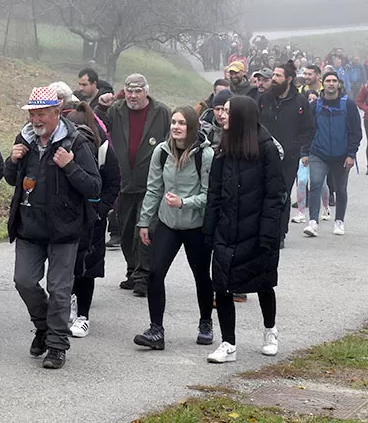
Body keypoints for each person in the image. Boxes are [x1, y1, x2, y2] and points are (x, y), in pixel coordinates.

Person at [4, 86, 102, 369]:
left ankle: (57, 345)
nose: (36, 120)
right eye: (33, 114)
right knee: (23, 281)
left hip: (64, 229)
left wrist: (70, 166)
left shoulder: (76, 142)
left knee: (59, 290)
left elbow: (94, 187)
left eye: (42, 114)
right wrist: (12, 161)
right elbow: (12, 180)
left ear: (57, 113)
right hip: (29, 226)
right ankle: (44, 327)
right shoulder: (24, 139)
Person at [202, 96, 284, 363]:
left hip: (259, 231)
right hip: (227, 231)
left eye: (228, 111)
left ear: (242, 117)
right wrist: (209, 231)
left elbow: (275, 194)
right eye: (222, 111)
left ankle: (270, 330)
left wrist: (268, 233)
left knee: (263, 283)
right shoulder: (223, 149)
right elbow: (213, 193)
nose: (222, 116)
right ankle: (228, 343)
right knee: (222, 287)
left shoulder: (266, 148)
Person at [133, 107, 214, 351]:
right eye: (173, 122)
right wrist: (144, 222)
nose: (176, 127)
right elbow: (154, 188)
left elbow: (209, 195)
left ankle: (206, 323)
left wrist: (184, 203)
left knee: (201, 275)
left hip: (195, 225)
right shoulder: (161, 152)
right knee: (155, 272)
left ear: (192, 127)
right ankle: (156, 330)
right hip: (168, 222)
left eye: (182, 123)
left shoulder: (206, 155)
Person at [96, 74, 171, 297]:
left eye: (138, 91)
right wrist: (101, 107)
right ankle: (132, 270)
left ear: (146, 91)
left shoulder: (162, 112)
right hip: (123, 181)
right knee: (127, 230)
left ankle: (144, 276)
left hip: (152, 182)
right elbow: (99, 128)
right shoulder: (116, 110)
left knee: (145, 230)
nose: (133, 95)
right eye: (130, 91)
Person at [66, 102, 120, 338]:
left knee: (87, 267)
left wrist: (102, 210)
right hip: (66, 216)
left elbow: (114, 182)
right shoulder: (60, 148)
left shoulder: (103, 149)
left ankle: (83, 316)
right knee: (65, 266)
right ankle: (68, 304)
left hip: (93, 218)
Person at [302, 71, 362, 238]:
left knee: (341, 189)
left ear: (338, 84)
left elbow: (356, 131)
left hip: (342, 155)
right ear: (323, 83)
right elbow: (308, 131)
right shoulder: (315, 106)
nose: (331, 84)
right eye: (328, 80)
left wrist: (351, 154)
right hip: (318, 153)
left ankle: (339, 221)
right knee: (315, 184)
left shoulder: (348, 105)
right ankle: (313, 221)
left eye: (334, 81)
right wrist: (304, 152)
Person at [259, 61, 313, 232]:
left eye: (278, 75)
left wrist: (293, 146)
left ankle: (280, 232)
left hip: (288, 158)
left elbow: (309, 130)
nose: (274, 79)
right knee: (262, 192)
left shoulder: (300, 103)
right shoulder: (264, 99)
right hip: (264, 155)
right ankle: (263, 229)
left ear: (289, 79)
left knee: (282, 194)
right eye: (273, 75)